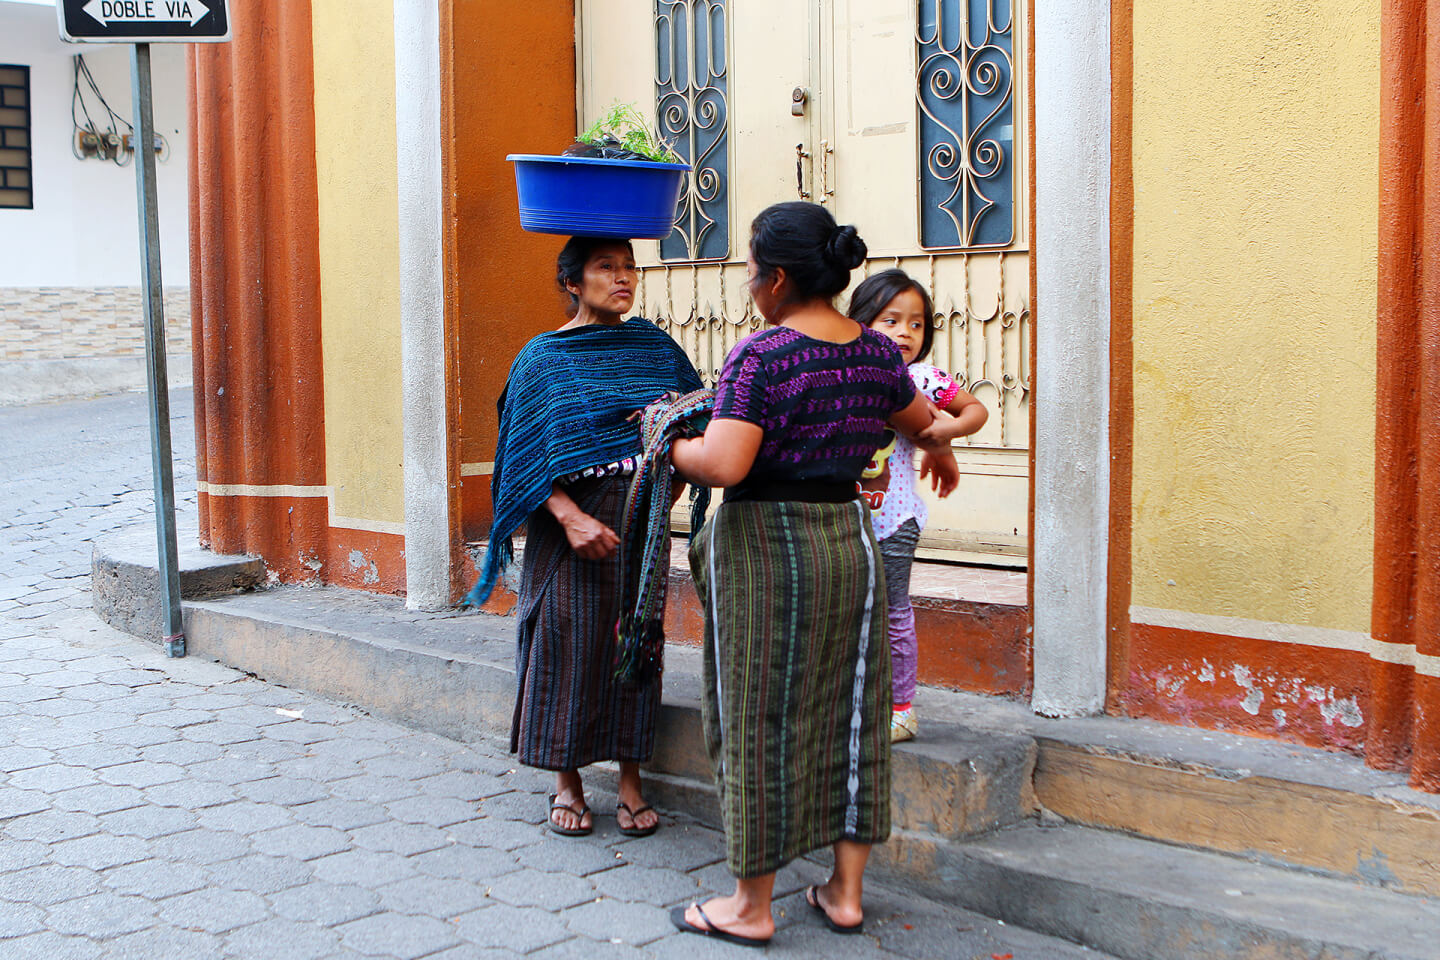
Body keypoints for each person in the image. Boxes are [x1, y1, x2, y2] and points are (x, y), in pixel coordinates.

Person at [667, 202, 960, 947]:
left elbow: (725, 464)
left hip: (767, 548)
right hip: (849, 544)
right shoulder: (877, 354)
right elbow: (924, 422)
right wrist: (942, 447)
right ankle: (845, 892)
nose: (749, 284)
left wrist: (668, 443)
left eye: (750, 270)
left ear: (777, 279)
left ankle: (751, 906)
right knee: (853, 709)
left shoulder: (761, 356)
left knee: (758, 713)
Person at [465, 236, 702, 839]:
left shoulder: (656, 348)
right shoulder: (543, 358)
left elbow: (695, 422)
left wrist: (662, 497)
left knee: (635, 644)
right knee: (565, 643)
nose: (623, 278)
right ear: (572, 282)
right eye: (606, 268)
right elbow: (520, 457)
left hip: (639, 524)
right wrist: (570, 517)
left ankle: (630, 782)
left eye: (630, 268)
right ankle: (566, 782)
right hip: (569, 526)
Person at [849, 269, 988, 742]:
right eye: (890, 321)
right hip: (838, 521)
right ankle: (853, 702)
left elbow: (975, 410)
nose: (905, 333)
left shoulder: (922, 379)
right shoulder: (843, 374)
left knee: (892, 614)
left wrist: (945, 434)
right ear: (860, 322)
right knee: (843, 614)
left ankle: (901, 709)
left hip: (894, 521)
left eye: (916, 324)